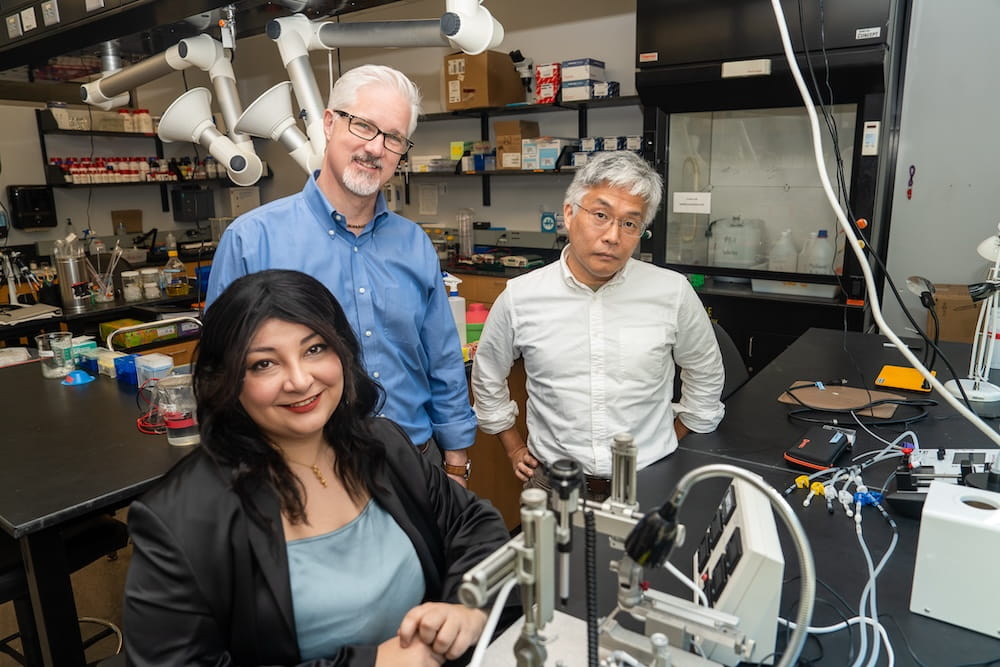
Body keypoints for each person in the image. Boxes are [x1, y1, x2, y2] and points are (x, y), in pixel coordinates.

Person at [124, 269, 510, 665]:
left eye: (314, 350)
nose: (299, 380)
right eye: (263, 365)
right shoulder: (180, 518)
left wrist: (469, 605)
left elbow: (474, 523)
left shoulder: (382, 444)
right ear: (226, 380)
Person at [206, 65, 475, 486]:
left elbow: (442, 360)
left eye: (394, 138)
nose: (376, 148)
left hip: (416, 464)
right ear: (329, 123)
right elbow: (222, 374)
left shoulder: (414, 244)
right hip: (305, 476)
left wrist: (456, 465)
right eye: (364, 126)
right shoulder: (252, 241)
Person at [471, 151, 726, 500]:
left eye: (629, 223)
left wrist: (670, 439)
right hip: (555, 487)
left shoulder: (672, 292)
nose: (612, 236)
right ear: (569, 213)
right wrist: (513, 446)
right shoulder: (521, 296)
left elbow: (705, 372)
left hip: (649, 482)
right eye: (601, 215)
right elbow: (487, 375)